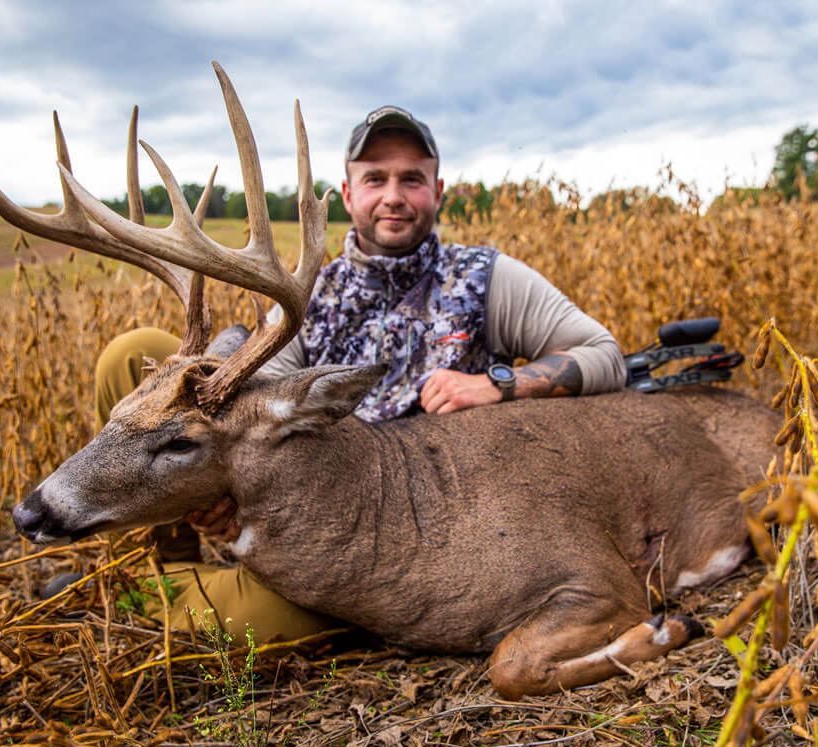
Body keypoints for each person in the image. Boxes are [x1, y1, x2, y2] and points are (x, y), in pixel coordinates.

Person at [86, 105, 627, 646]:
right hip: (307, 500)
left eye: (411, 179)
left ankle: (158, 593)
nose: (393, 195)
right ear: (347, 196)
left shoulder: (486, 279)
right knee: (136, 355)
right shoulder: (305, 294)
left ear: (437, 192)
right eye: (375, 179)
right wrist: (219, 494)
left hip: (404, 538)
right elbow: (239, 417)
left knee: (257, 627)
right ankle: (155, 559)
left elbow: (605, 354)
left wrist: (500, 384)